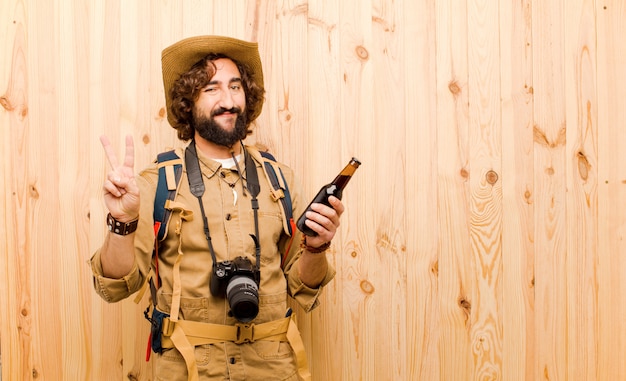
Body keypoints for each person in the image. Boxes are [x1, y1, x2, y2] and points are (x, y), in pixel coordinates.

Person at [90, 35, 343, 381]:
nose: (228, 101)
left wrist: (317, 247)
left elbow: (303, 286)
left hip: (274, 367)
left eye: (235, 87)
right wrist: (122, 221)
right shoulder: (157, 183)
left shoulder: (280, 180)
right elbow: (118, 284)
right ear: (187, 102)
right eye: (211, 89)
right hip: (188, 369)